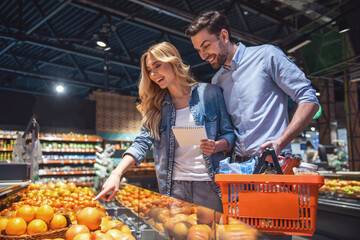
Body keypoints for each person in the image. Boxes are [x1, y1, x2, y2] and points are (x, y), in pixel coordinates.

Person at [94, 42, 234, 212]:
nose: (153, 74)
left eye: (157, 66)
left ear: (173, 61)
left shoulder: (210, 93)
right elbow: (141, 143)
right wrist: (116, 174)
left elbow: (229, 134)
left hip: (209, 183)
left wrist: (217, 145)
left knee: (211, 235)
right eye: (149, 70)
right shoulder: (156, 107)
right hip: (174, 187)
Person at [185, 10, 319, 163]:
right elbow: (226, 131)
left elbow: (309, 99)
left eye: (206, 46)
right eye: (199, 51)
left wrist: (280, 142)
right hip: (237, 167)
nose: (203, 56)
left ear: (223, 36)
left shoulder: (266, 56)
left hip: (273, 164)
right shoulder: (217, 81)